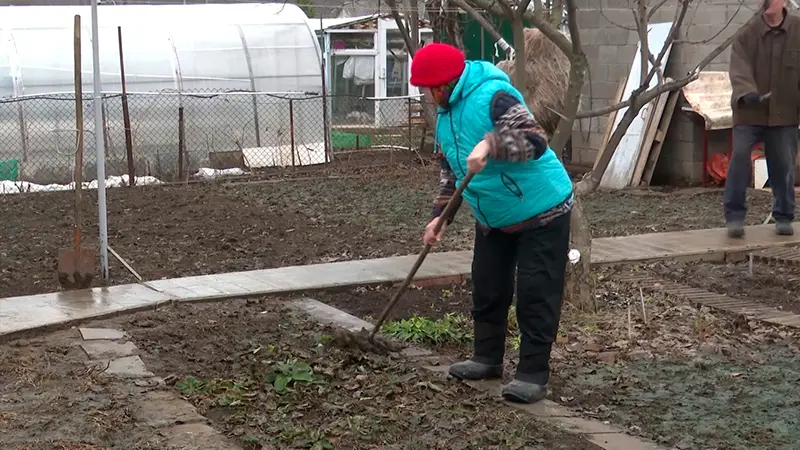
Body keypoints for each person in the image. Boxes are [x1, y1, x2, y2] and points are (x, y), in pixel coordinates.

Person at [409, 43, 574, 404]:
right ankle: (486, 358)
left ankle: (532, 374)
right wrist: (440, 217)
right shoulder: (446, 114)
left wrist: (490, 145)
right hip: (494, 216)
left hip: (541, 209)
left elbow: (535, 140)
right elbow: (451, 170)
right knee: (488, 287)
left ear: (446, 83)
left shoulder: (494, 95)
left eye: (429, 88)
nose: (428, 95)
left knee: (535, 292)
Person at [726, 0, 799, 237]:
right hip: (750, 111)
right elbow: (739, 67)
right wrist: (748, 93)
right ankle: (735, 217)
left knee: (784, 164)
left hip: (784, 112)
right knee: (738, 158)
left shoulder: (798, 31)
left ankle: (784, 215)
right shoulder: (747, 33)